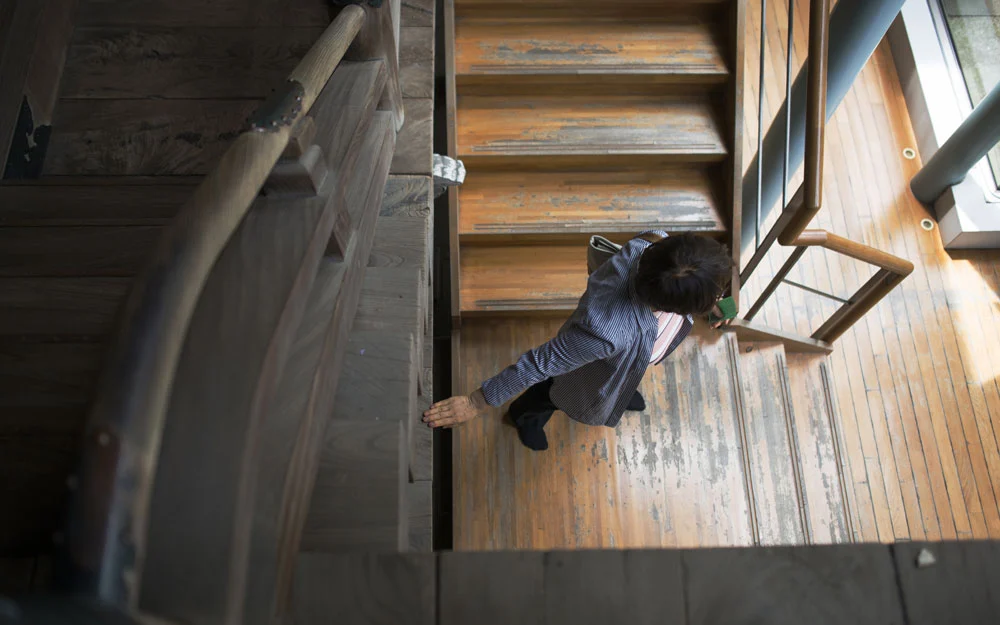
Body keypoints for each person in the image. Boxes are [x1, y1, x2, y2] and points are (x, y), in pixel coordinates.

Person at [422, 231, 735, 451]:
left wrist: (718, 302)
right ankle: (523, 417)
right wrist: (474, 402)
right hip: (583, 375)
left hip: (628, 358)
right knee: (548, 395)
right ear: (672, 308)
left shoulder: (655, 247)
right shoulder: (604, 333)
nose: (720, 298)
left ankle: (622, 391)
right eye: (715, 296)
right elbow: (538, 364)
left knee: (621, 381)